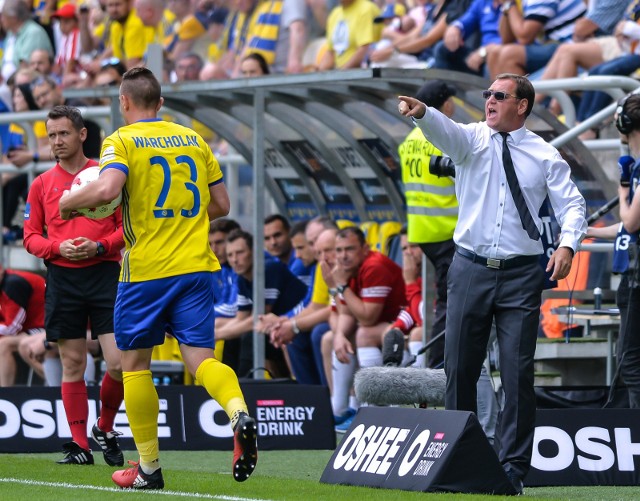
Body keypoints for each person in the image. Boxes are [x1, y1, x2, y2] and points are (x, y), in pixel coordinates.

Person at [58, 67, 257, 489]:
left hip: (146, 271)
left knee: (134, 365)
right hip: (196, 267)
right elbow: (220, 204)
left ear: (124, 102)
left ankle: (149, 467)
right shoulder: (194, 139)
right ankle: (238, 412)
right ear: (161, 103)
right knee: (202, 360)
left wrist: (70, 202)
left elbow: (108, 188)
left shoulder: (121, 141)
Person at [398, 73, 587, 494]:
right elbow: (446, 132)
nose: (489, 101)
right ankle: (456, 462)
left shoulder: (543, 153)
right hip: (468, 268)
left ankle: (514, 470)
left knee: (517, 373)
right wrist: (424, 114)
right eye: (487, 94)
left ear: (522, 105)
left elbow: (572, 203)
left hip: (522, 274)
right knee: (460, 368)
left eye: (499, 96)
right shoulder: (471, 138)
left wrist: (567, 246)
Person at [23, 105, 126, 466]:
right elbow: (30, 236)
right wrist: (57, 247)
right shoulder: (41, 184)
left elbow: (123, 228)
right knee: (72, 363)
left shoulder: (106, 176)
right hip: (63, 278)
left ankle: (105, 426)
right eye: (51, 135)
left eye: (63, 133)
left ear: (82, 134)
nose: (57, 141)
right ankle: (80, 446)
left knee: (118, 362)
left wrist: (101, 246)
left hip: (105, 274)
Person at [397, 79, 458, 368]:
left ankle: (436, 362)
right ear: (445, 104)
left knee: (442, 298)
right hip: (448, 229)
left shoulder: (409, 142)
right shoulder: (441, 139)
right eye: (452, 102)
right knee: (449, 301)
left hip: (423, 231)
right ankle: (437, 365)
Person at [586, 94, 640, 408]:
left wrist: (622, 192)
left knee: (630, 363)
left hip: (637, 278)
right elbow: (627, 229)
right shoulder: (633, 168)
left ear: (624, 123)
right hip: (631, 274)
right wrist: (587, 232)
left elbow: (630, 221)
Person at [218, 228, 308, 377]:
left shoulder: (268, 269)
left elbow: (257, 319)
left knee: (249, 336)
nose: (234, 259)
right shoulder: (242, 277)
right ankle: (227, 386)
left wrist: (217, 333)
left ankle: (245, 388)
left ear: (253, 252)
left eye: (240, 253)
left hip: (299, 327)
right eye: (230, 255)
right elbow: (241, 318)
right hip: (278, 330)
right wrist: (215, 333)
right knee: (232, 339)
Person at [0, 265, 46, 387]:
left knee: (3, 344)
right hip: (29, 328)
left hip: (46, 327)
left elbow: (12, 327)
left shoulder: (13, 284)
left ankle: (5, 395)